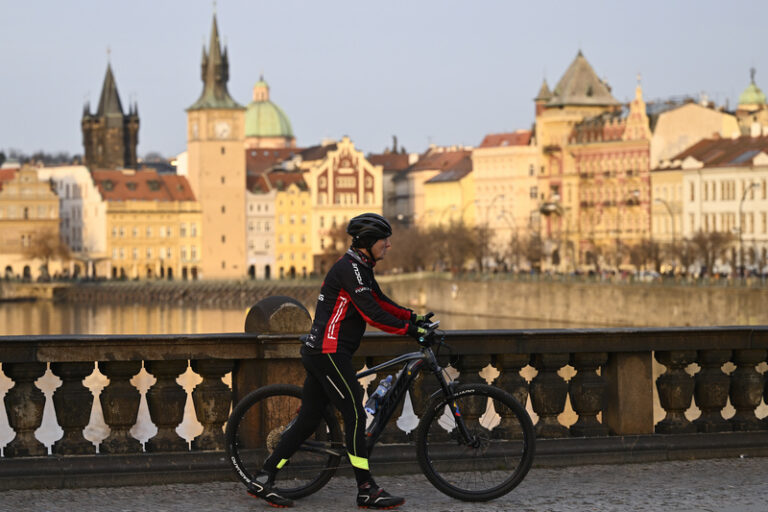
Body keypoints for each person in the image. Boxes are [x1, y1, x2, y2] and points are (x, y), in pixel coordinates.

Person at [246, 213, 430, 509]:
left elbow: (381, 301)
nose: (390, 245)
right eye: (385, 240)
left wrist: (414, 317)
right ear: (369, 242)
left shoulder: (360, 268)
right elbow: (372, 313)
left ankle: (264, 477)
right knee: (355, 413)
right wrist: (412, 331)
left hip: (325, 352)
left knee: (308, 419)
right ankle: (366, 488)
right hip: (328, 352)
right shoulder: (349, 269)